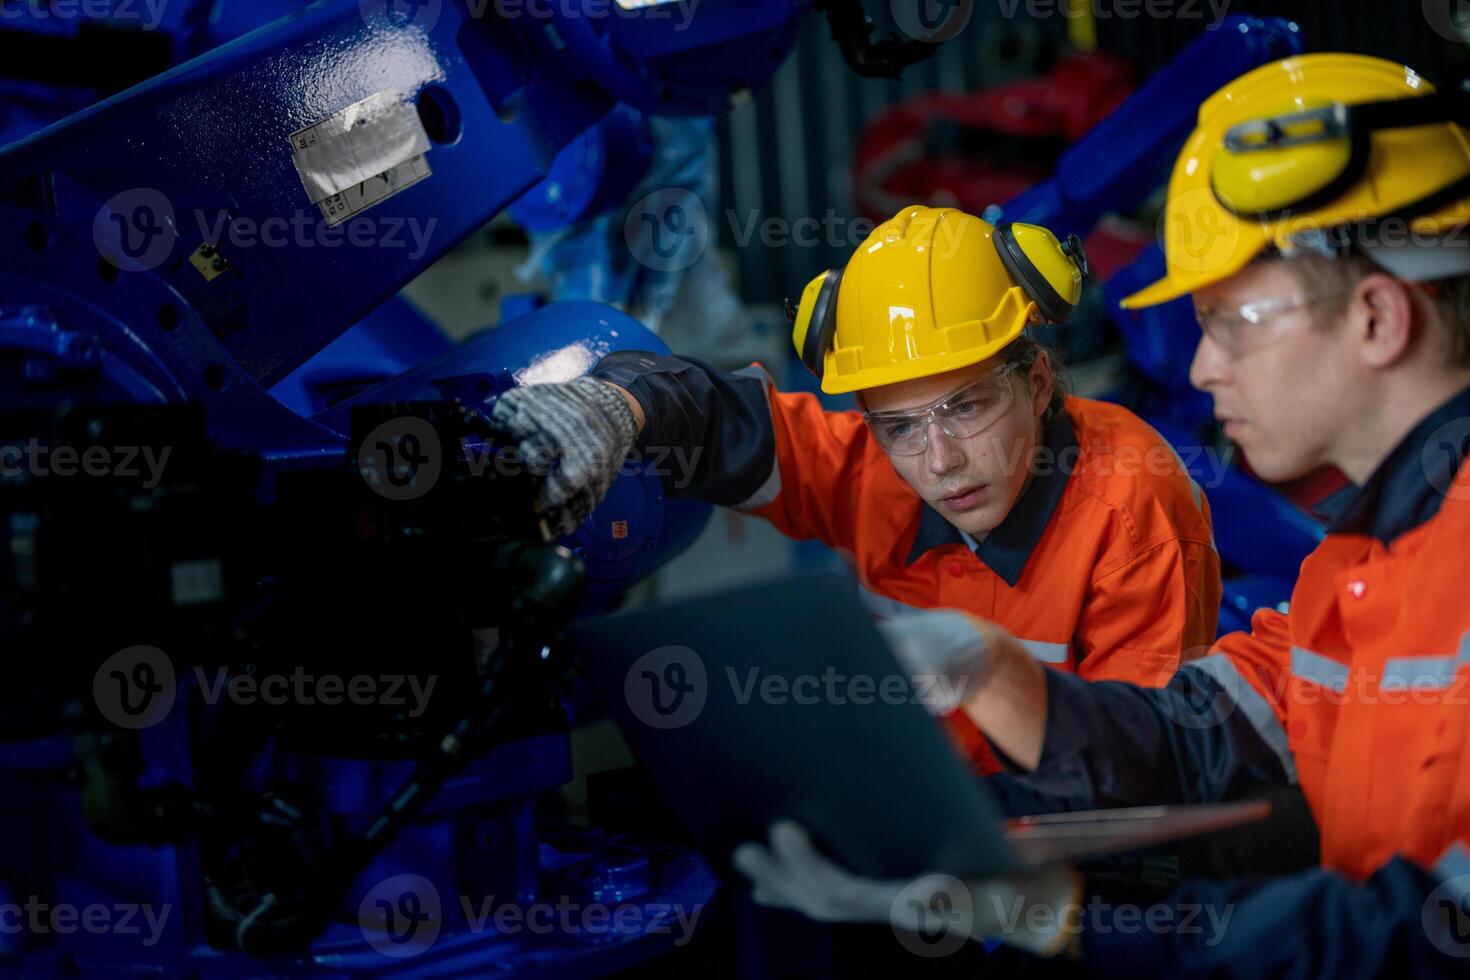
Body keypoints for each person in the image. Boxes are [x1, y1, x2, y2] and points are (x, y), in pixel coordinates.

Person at [733, 53, 1470, 976]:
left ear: (1376, 318)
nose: (1201, 368)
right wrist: (999, 681)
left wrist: (1063, 919)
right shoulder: (1361, 561)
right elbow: (1213, 734)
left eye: (1232, 322)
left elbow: (1413, 942)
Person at [492, 205, 1222, 770]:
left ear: (1035, 382)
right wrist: (618, 405)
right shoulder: (876, 473)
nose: (939, 461)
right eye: (899, 426)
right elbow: (725, 421)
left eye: (965, 407)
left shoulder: (1131, 509)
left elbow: (1134, 771)